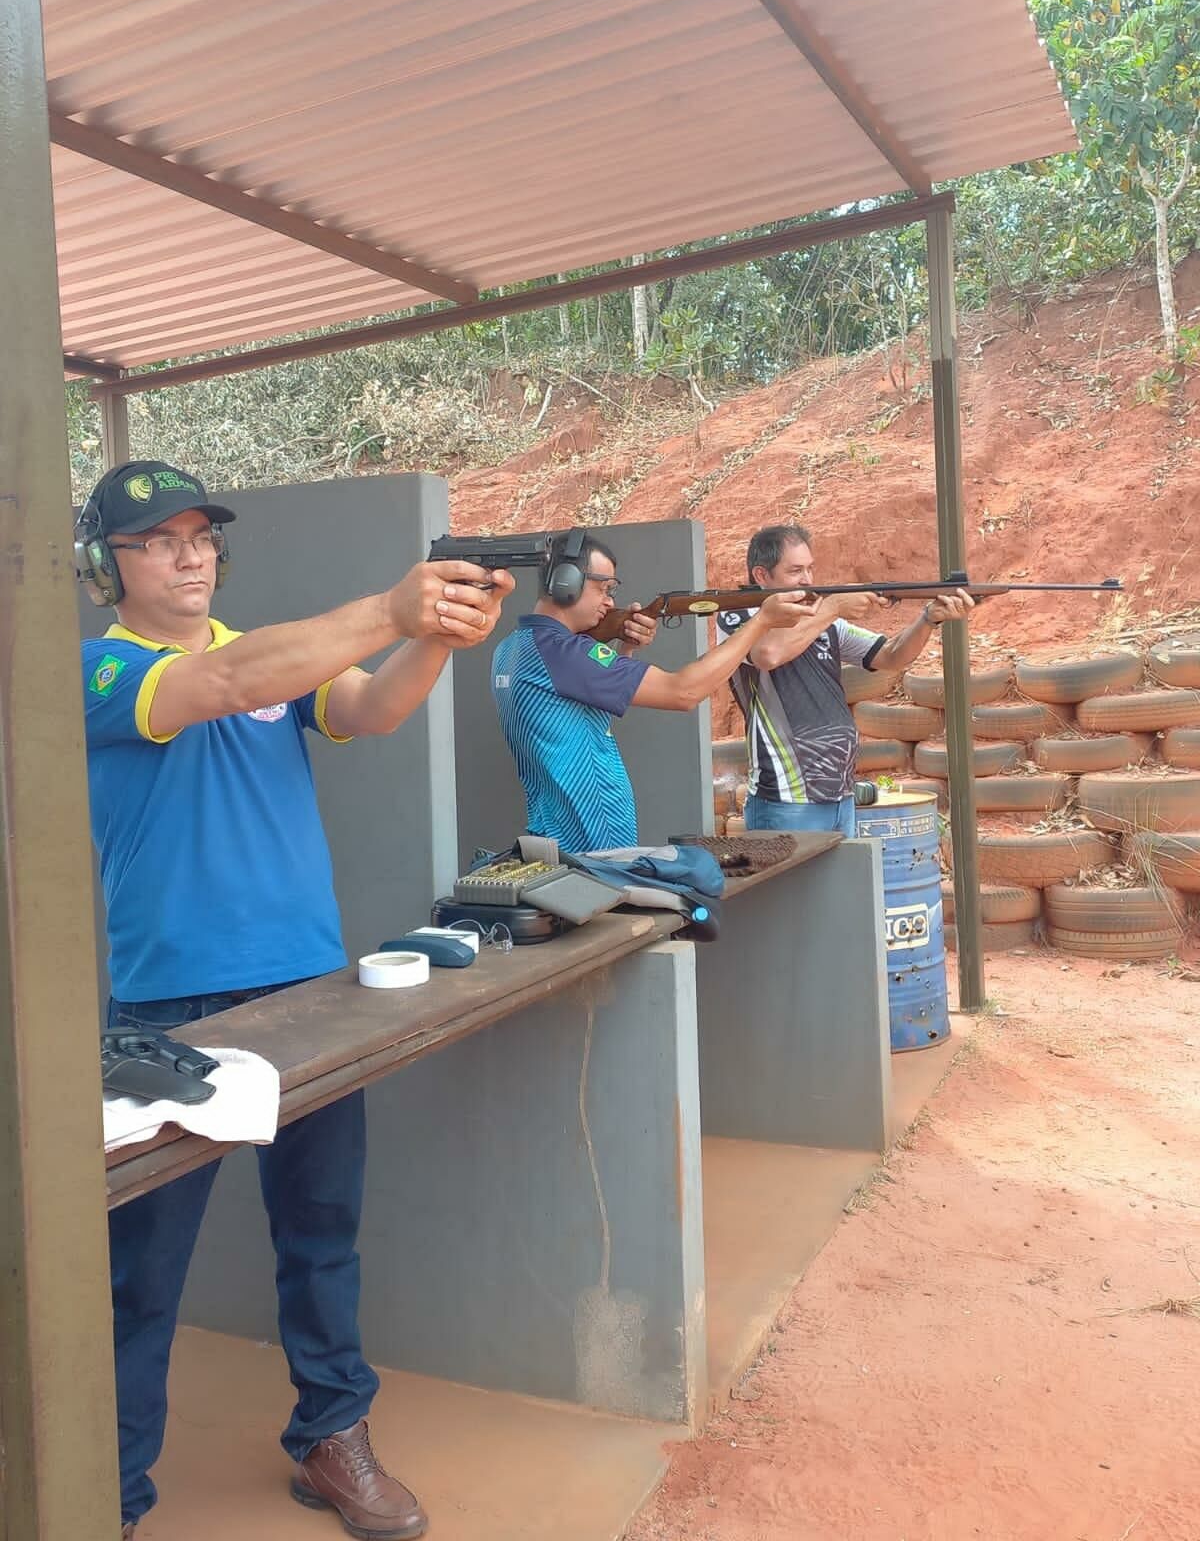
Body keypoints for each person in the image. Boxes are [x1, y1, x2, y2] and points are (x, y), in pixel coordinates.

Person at [78, 460, 514, 1541]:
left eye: (202, 535)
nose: (190, 554)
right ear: (107, 568)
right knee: (141, 1277)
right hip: (170, 1013)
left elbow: (369, 707)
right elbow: (215, 689)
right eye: (159, 539)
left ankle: (332, 1435)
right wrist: (388, 604)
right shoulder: (97, 673)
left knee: (321, 1233)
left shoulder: (270, 656)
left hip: (307, 986)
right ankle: (113, 1495)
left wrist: (438, 633)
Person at [490, 530, 811, 853]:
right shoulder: (561, 653)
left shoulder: (514, 647)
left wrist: (625, 649)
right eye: (602, 588)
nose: (609, 601)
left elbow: (580, 706)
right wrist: (760, 623)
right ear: (565, 583)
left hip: (556, 833)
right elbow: (682, 692)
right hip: (590, 846)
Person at [716, 523, 977, 835]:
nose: (808, 579)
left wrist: (927, 619)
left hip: (841, 795)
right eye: (795, 570)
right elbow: (768, 654)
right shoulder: (741, 616)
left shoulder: (820, 620)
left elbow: (891, 656)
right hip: (786, 800)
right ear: (761, 576)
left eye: (810, 568)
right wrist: (832, 608)